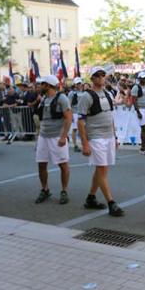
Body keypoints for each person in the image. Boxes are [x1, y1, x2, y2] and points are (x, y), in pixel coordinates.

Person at [77, 66, 124, 217]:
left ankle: (91, 197)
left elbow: (111, 118)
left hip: (108, 136)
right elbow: (80, 121)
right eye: (97, 75)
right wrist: (84, 143)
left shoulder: (108, 93)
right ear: (92, 79)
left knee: (101, 169)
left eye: (103, 75)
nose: (101, 77)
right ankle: (111, 202)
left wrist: (115, 137)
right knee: (102, 169)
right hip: (96, 137)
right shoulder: (86, 96)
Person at [34, 75, 72, 205]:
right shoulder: (44, 99)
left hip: (57, 136)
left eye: (42, 84)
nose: (39, 86)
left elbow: (68, 118)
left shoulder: (62, 98)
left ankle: (64, 191)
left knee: (63, 164)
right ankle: (45, 189)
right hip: (43, 136)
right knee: (41, 163)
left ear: (48, 85)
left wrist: (63, 136)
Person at [129, 71, 145, 155]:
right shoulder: (136, 87)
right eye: (143, 78)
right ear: (139, 79)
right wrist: (138, 112)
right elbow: (134, 100)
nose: (144, 79)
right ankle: (143, 147)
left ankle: (144, 146)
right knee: (144, 128)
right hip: (141, 109)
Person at [68, 78, 84, 151]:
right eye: (78, 83)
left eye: (80, 83)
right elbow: (69, 104)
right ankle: (75, 145)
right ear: (75, 84)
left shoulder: (83, 92)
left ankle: (84, 144)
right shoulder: (72, 93)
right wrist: (71, 115)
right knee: (75, 129)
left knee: (83, 129)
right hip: (75, 113)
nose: (79, 85)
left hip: (82, 113)